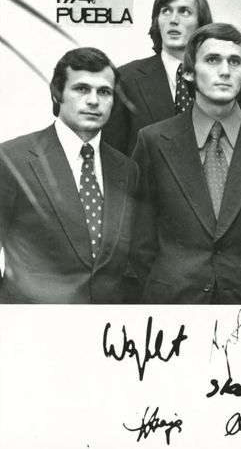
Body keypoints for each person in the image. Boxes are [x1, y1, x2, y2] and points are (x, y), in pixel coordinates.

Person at [131, 23, 241, 304]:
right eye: (212, 60)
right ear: (189, 72)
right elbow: (139, 239)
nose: (225, 71)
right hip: (173, 305)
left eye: (234, 62)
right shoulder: (154, 141)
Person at [0, 47, 139, 303]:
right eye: (82, 89)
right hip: (34, 320)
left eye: (104, 92)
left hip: (107, 322)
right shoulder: (11, 159)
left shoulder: (126, 169)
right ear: (57, 93)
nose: (93, 101)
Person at [102, 0, 213, 156]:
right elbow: (113, 155)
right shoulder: (126, 78)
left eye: (184, 12)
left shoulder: (221, 77)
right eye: (166, 11)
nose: (173, 20)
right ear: (157, 21)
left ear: (201, 23)